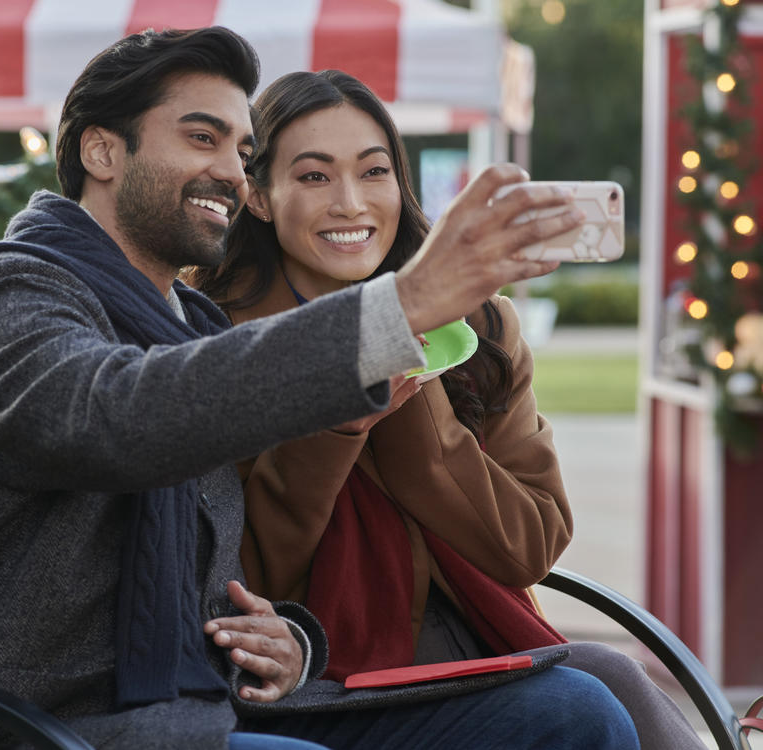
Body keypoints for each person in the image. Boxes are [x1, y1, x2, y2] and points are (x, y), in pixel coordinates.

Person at [0, 27, 639, 750]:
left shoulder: (188, 318)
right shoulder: (10, 290)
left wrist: (294, 642)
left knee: (582, 708)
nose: (230, 170)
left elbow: (224, 583)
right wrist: (392, 316)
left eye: (241, 148)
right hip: (46, 725)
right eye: (202, 137)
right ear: (102, 151)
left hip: (199, 701)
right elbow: (115, 416)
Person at [189, 69, 706, 750]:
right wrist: (341, 417)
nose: (351, 203)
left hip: (475, 639)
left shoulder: (482, 329)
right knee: (582, 702)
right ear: (258, 195)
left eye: (374, 173)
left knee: (621, 675)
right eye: (314, 177)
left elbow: (527, 546)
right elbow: (245, 578)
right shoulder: (215, 342)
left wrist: (409, 364)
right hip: (311, 675)